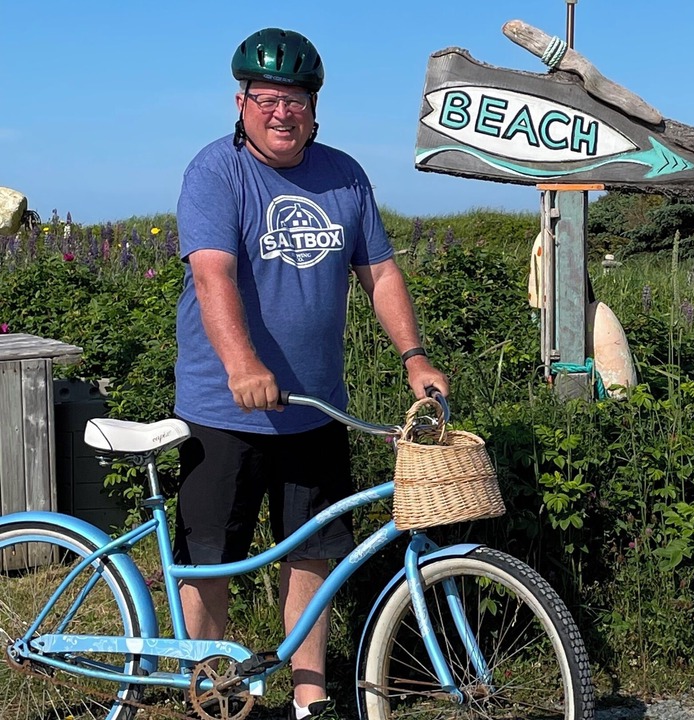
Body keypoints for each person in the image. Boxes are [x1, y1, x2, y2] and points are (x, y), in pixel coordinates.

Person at [174, 28, 448, 720]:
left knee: (316, 554)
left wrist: (414, 356)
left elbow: (380, 272)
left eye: (294, 100)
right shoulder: (214, 172)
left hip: (316, 405)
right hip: (225, 407)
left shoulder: (345, 175)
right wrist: (242, 365)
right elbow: (213, 275)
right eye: (266, 99)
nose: (280, 113)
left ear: (314, 107)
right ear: (241, 103)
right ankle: (210, 691)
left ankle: (309, 696)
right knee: (212, 559)